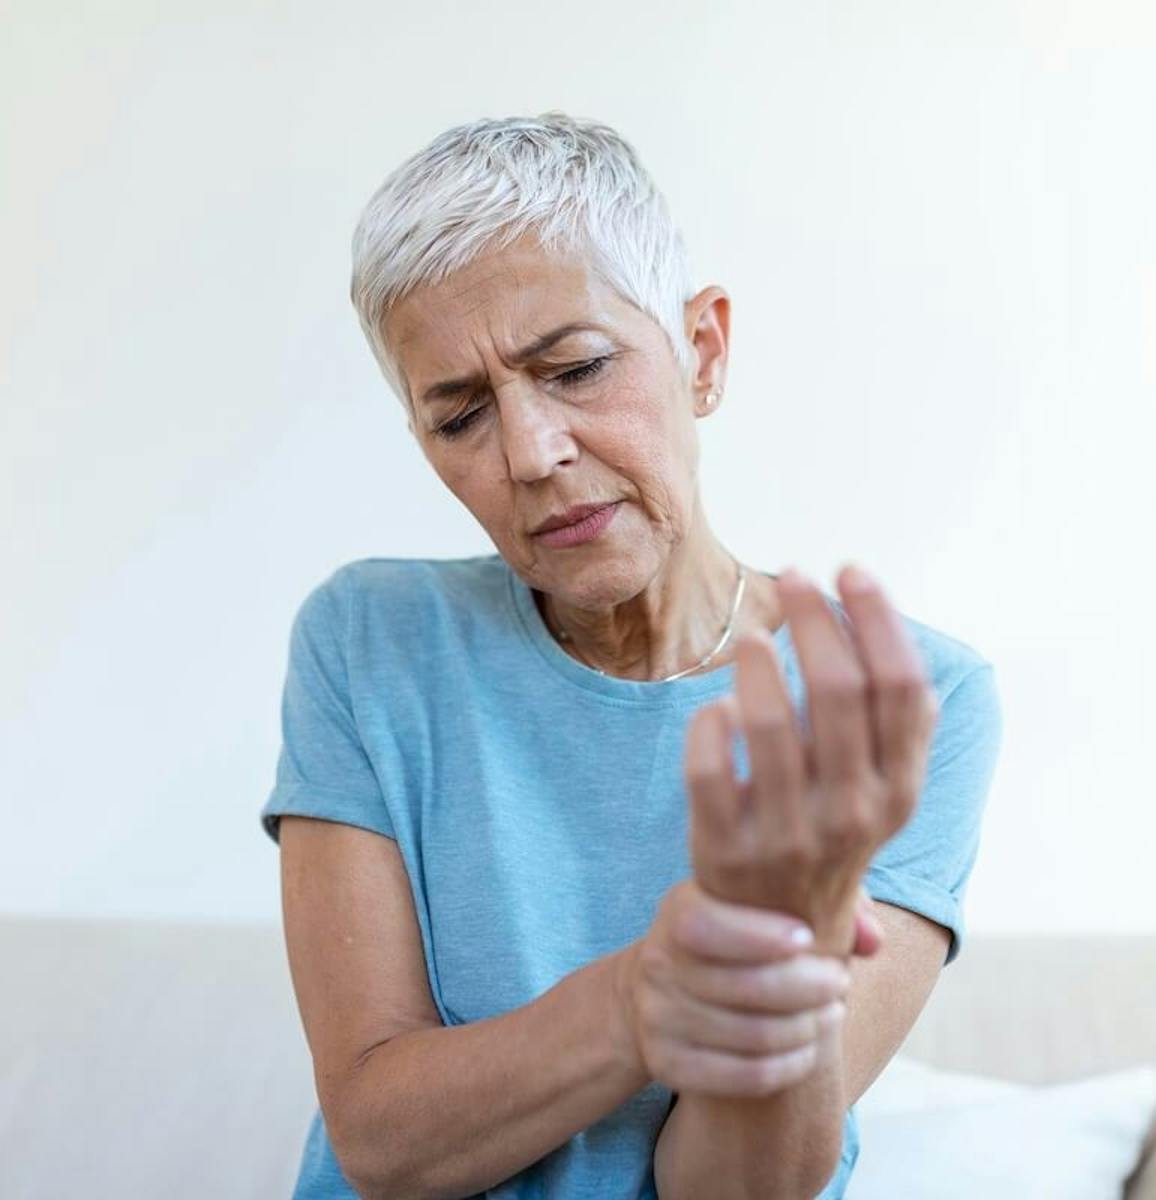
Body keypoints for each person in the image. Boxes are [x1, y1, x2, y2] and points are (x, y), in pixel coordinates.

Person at [260, 110, 1004, 1200]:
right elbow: (382, 1140)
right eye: (460, 415)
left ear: (702, 352)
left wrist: (786, 941)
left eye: (575, 368)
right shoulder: (370, 642)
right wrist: (647, 997)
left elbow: (732, 1188)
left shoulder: (911, 704)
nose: (530, 452)